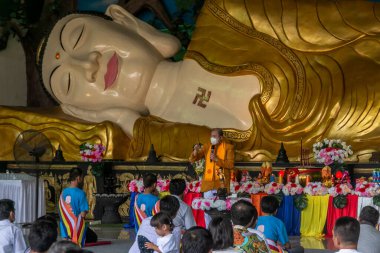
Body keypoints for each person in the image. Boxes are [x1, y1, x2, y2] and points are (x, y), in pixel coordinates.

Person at [189, 128, 234, 193]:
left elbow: (230, 165)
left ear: (221, 137)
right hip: (208, 184)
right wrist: (195, 150)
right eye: (211, 136)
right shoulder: (207, 146)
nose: (212, 138)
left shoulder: (228, 147)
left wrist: (216, 159)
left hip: (221, 184)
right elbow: (193, 159)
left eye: (214, 136)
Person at [58, 167, 89, 247]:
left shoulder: (63, 192)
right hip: (76, 230)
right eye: (82, 177)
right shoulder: (81, 193)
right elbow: (83, 214)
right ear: (78, 178)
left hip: (65, 228)